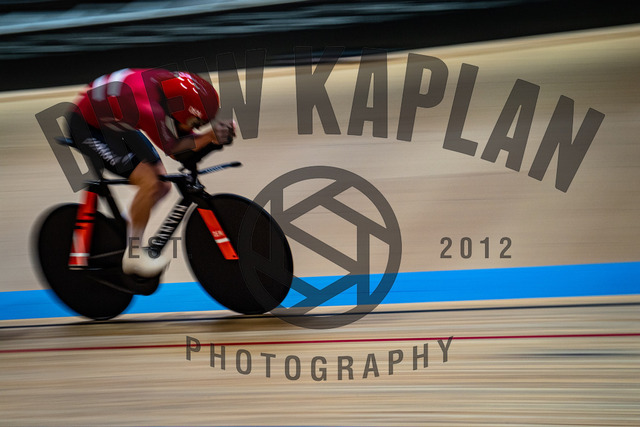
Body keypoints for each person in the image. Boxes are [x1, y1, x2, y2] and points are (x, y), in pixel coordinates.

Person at [67, 68, 235, 277]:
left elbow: (183, 133)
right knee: (149, 181)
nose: (194, 127)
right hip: (86, 126)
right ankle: (133, 255)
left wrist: (206, 136)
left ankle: (124, 231)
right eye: (194, 123)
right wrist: (209, 137)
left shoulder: (169, 84)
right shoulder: (149, 109)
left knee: (163, 184)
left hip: (114, 118)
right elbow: (176, 150)